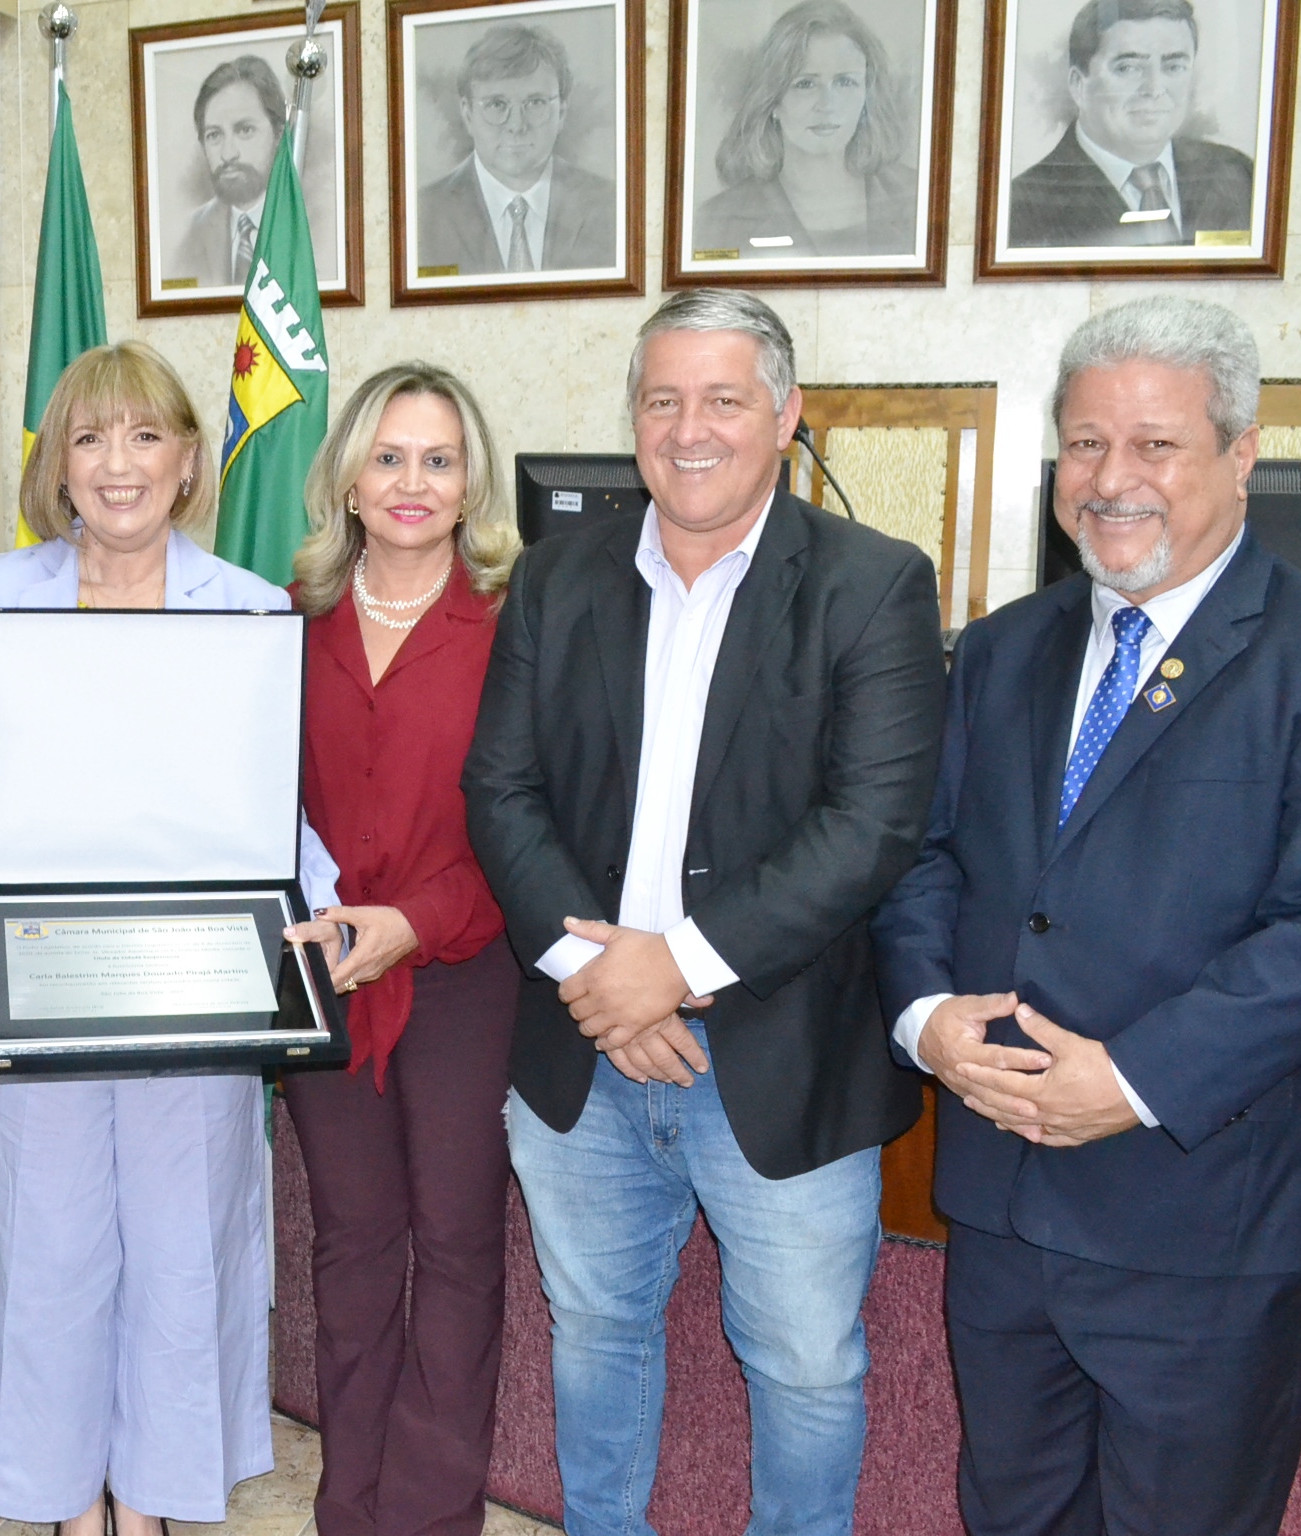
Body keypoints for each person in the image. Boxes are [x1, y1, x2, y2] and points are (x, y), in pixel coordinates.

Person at [870, 296, 1301, 1534]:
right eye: (1086, 444)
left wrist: (1132, 1080)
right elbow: (924, 858)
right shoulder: (997, 649)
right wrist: (928, 1015)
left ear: (1243, 454)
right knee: (1014, 1511)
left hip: (1203, 1210)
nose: (1112, 480)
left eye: (1156, 444)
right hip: (1004, 1197)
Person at [462, 288, 945, 1536]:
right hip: (582, 1044)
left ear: (785, 416)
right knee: (595, 1331)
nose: (690, 430)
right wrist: (601, 983)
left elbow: (872, 826)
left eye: (725, 400)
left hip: (780, 1054)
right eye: (662, 400)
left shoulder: (872, 584)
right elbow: (501, 789)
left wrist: (671, 967)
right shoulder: (556, 576)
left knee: (804, 1364)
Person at [0, 340, 340, 1536]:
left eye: (146, 435)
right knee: (50, 1248)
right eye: (89, 437)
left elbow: (277, 805)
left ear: (189, 460)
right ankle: (65, 1503)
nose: (118, 462)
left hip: (198, 978)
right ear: (58, 466)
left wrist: (319, 911)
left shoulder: (251, 608)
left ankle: (150, 1501)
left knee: (184, 1250)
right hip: (32, 970)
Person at [279, 364, 522, 1536]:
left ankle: (428, 1515)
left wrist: (415, 921)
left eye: (438, 458)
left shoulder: (518, 626)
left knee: (460, 1243)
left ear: (473, 482)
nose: (412, 482)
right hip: (322, 969)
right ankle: (350, 1501)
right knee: (354, 1240)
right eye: (388, 457)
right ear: (347, 480)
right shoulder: (287, 621)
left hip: (466, 971)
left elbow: (535, 825)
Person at [1007, 0, 1253, 248]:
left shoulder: (1238, 175)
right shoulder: (1021, 208)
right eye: (1128, 68)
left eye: (1174, 66)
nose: (1154, 89)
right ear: (1078, 85)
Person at [692, 0, 918, 259]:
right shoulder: (718, 221)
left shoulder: (915, 197)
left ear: (867, 95)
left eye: (845, 82)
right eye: (805, 84)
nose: (827, 105)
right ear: (772, 101)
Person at [417, 23, 617, 275]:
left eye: (535, 103)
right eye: (496, 104)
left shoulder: (610, 205)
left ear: (562, 112)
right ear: (467, 114)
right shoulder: (422, 213)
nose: (516, 125)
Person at [167, 54, 288, 288]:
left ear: (278, 135)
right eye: (214, 135)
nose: (228, 153)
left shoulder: (307, 223)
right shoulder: (189, 234)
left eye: (245, 130)